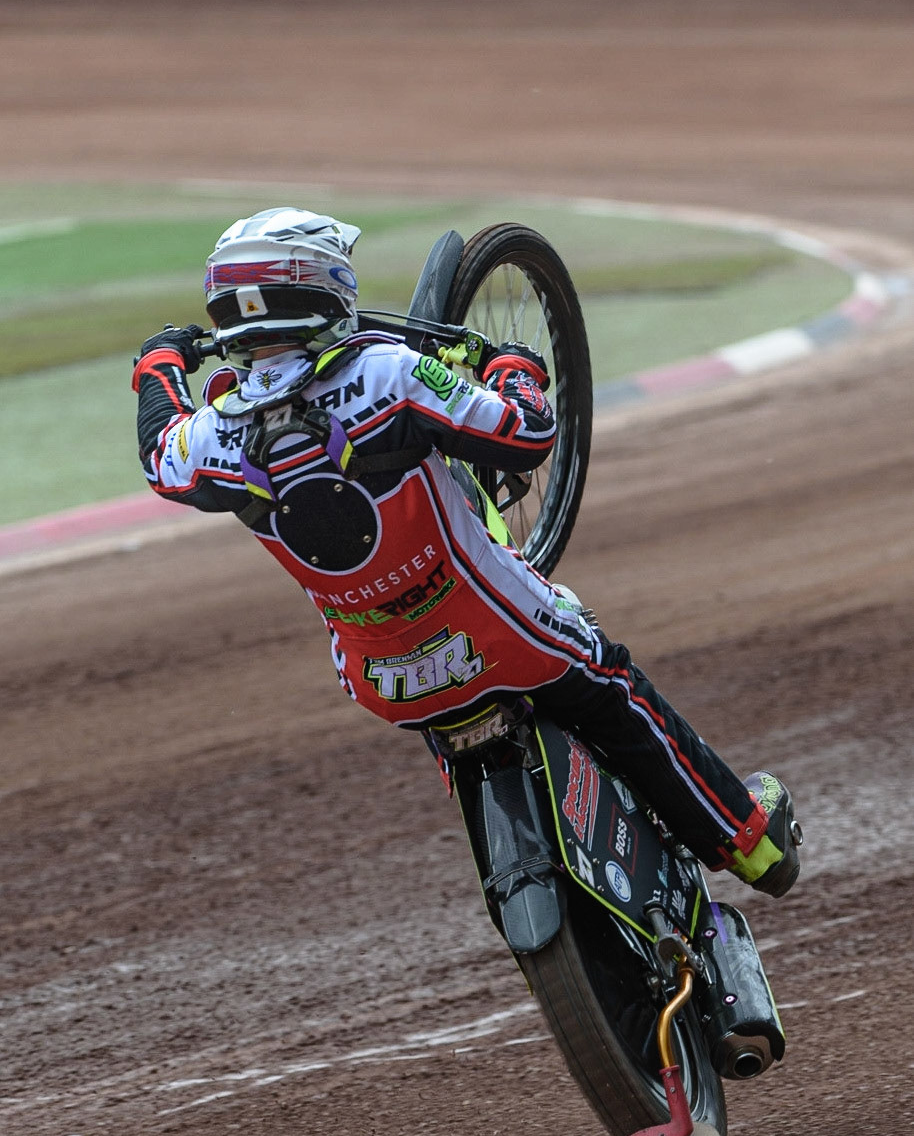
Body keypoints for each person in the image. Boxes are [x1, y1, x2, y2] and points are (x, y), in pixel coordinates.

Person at [132, 207, 801, 897]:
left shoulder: (208, 439)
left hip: (382, 679)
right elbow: (528, 433)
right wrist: (513, 367)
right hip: (502, 633)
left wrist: (159, 362)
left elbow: (158, 446)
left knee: (441, 704)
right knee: (611, 686)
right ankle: (749, 841)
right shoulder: (387, 374)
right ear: (324, 284)